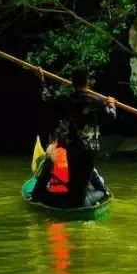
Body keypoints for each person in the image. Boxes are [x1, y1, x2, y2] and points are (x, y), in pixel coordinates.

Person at [35, 66, 117, 207]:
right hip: (88, 151)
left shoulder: (65, 100)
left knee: (68, 183)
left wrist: (42, 81)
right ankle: (85, 200)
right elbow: (111, 116)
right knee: (80, 191)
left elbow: (47, 98)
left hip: (67, 149)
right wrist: (111, 104)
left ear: (72, 83)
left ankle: (50, 198)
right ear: (88, 83)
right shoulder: (97, 101)